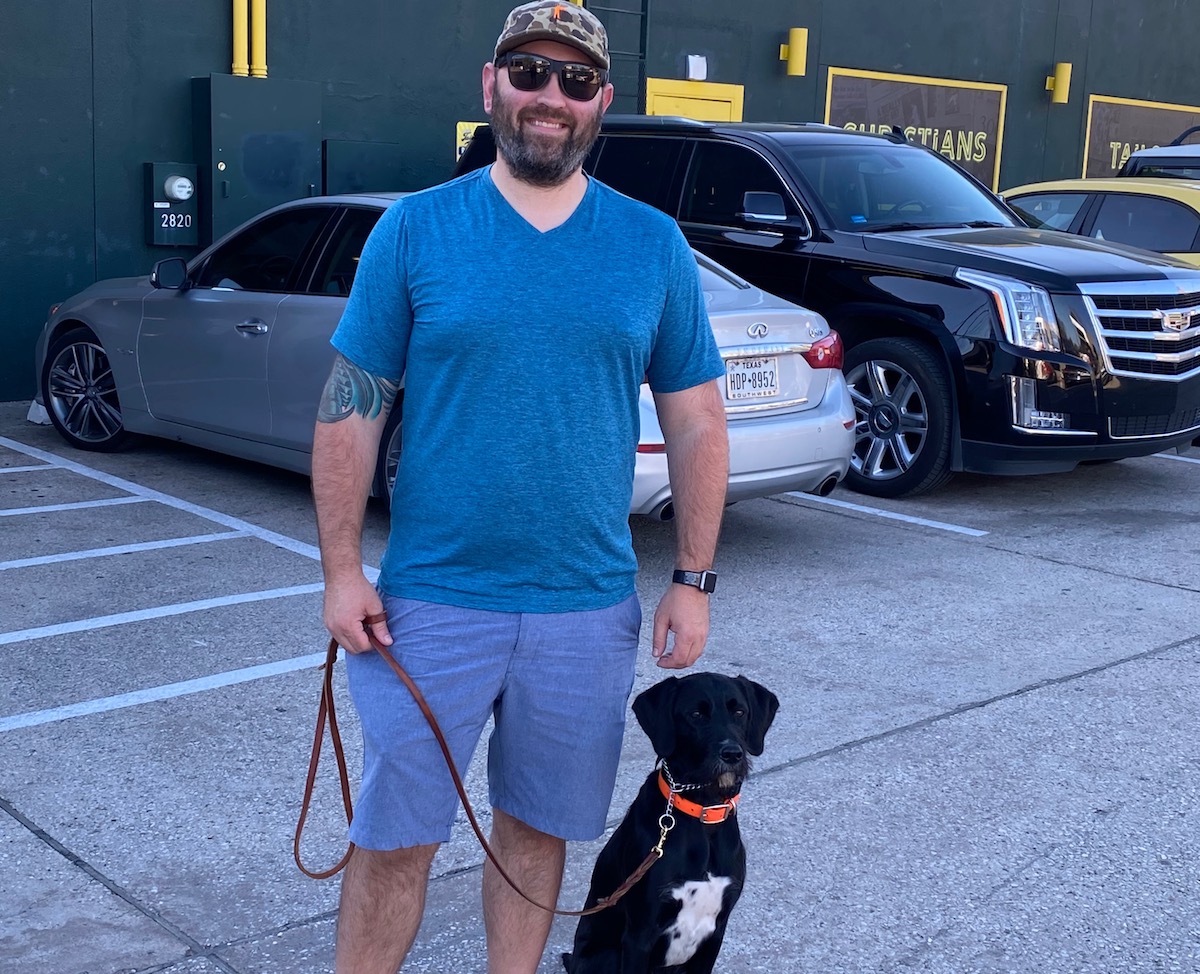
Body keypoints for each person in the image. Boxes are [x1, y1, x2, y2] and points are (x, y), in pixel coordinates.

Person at [310, 2, 730, 971]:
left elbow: (697, 417)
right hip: (429, 601)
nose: (551, 97)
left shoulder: (651, 244)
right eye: (530, 73)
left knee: (535, 834)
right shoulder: (415, 231)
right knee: (396, 836)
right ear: (491, 85)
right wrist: (340, 569)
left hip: (584, 607)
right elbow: (352, 404)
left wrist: (694, 577)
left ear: (603, 103)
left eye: (576, 80)